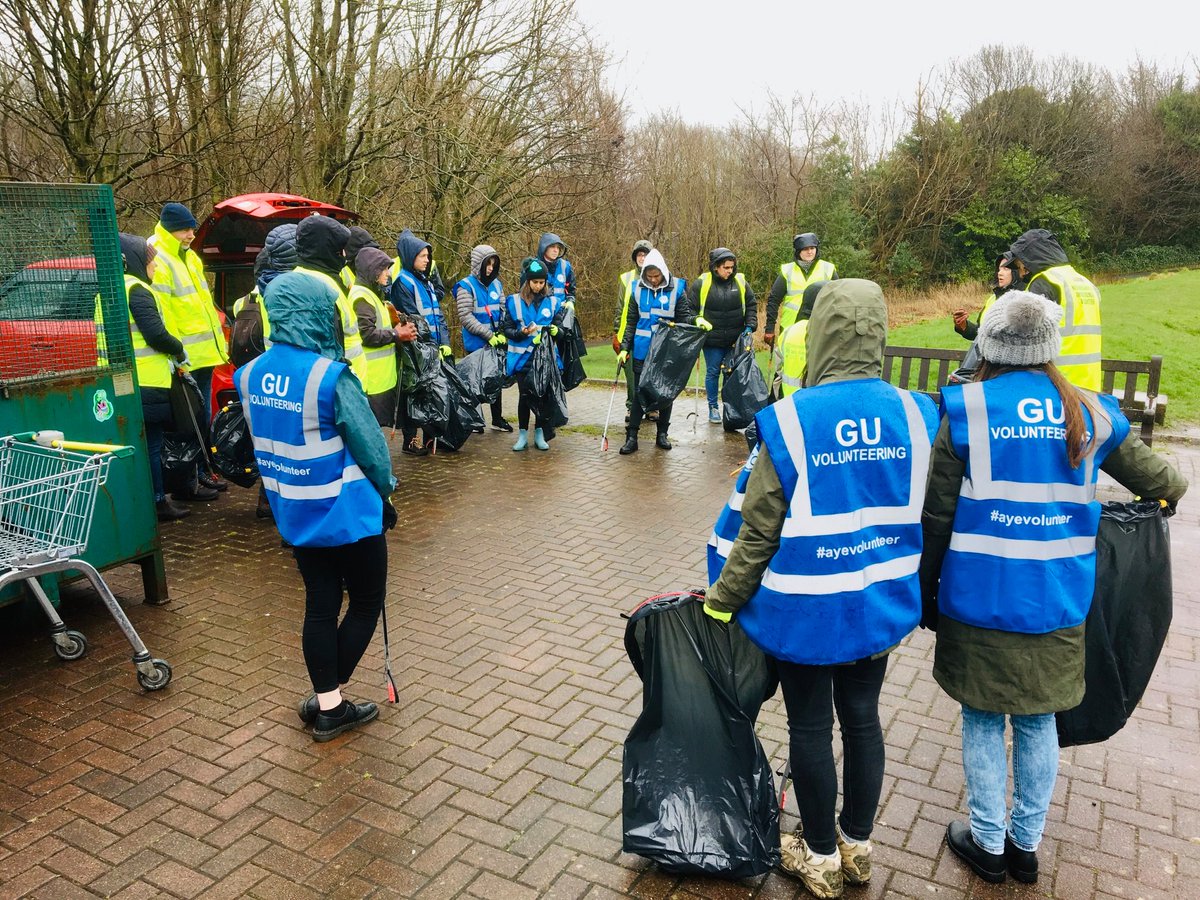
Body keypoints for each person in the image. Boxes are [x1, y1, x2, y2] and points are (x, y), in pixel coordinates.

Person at [918, 291, 1187, 886]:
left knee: (984, 717)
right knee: (1039, 720)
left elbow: (936, 519)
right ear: (1048, 348)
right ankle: (1026, 845)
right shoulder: (1087, 411)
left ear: (989, 344)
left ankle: (986, 842)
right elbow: (1168, 483)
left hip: (978, 596)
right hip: (1059, 598)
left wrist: (926, 592)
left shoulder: (966, 410)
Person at [703, 279, 939, 899]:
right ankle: (858, 846)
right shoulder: (916, 412)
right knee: (863, 718)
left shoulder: (788, 420)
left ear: (822, 333)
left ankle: (820, 856)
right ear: (877, 333)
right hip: (879, 602)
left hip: (806, 609)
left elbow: (758, 532)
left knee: (810, 726)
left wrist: (720, 602)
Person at [236, 269, 398, 743]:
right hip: (349, 512)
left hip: (296, 513)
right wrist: (387, 492)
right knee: (367, 601)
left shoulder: (249, 375)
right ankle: (331, 703)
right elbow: (371, 448)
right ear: (315, 315)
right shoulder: (331, 377)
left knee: (321, 607)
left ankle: (326, 701)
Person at [147, 201, 226, 497]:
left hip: (203, 353)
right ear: (169, 229)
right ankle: (191, 477)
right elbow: (163, 311)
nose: (191, 234)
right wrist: (176, 354)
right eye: (184, 229)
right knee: (189, 420)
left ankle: (202, 470)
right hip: (185, 357)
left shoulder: (189, 258)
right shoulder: (160, 257)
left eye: (192, 228)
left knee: (200, 416)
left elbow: (203, 304)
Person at [119, 234, 190, 521]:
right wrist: (179, 348)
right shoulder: (137, 290)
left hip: (122, 381)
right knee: (152, 444)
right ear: (137, 262)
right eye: (152, 264)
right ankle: (158, 501)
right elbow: (156, 334)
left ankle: (138, 502)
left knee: (133, 444)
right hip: (147, 381)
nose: (156, 270)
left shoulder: (112, 290)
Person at [1006, 229, 1102, 391]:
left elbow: (1025, 334)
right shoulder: (1084, 282)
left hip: (1057, 383)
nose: (1021, 271)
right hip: (1089, 385)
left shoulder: (1045, 281)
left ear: (1032, 258)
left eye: (1020, 264)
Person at [616, 249, 687, 454]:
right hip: (641, 350)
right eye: (650, 276)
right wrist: (624, 348)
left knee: (665, 394)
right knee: (639, 394)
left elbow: (684, 318)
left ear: (663, 272)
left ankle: (662, 434)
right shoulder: (637, 289)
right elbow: (630, 322)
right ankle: (632, 437)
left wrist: (695, 321)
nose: (654, 280)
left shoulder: (677, 289)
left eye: (656, 276)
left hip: (666, 353)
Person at [678, 247, 757, 423]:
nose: (730, 270)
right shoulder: (702, 284)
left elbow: (751, 304)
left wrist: (750, 325)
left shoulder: (741, 282)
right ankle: (713, 407)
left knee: (731, 374)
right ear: (715, 267)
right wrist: (696, 320)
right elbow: (688, 309)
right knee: (713, 372)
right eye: (726, 267)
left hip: (736, 339)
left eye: (731, 267)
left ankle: (730, 407)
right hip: (711, 339)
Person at [390, 229, 449, 455]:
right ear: (411, 256)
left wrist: (444, 343)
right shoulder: (403, 283)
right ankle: (411, 440)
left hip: (432, 347)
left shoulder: (426, 282)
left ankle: (429, 438)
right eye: (423, 256)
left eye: (427, 256)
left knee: (430, 392)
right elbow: (412, 317)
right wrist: (429, 346)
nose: (427, 261)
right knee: (414, 392)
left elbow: (438, 314)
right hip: (416, 348)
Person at [292, 215, 370, 388]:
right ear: (326, 250)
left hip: (343, 384)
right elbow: (328, 351)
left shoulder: (299, 277)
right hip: (342, 388)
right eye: (340, 249)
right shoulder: (323, 289)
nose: (343, 255)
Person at [500, 257, 566, 452]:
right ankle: (522, 434)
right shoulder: (513, 301)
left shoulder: (553, 302)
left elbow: (562, 330)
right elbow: (507, 329)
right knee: (525, 396)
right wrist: (522, 333)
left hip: (545, 358)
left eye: (541, 282)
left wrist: (556, 331)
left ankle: (539, 433)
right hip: (522, 359)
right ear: (527, 281)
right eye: (535, 282)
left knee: (542, 395)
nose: (538, 286)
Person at [351, 246, 418, 428]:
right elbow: (367, 335)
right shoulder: (362, 297)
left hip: (380, 380)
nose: (388, 273)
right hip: (372, 381)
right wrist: (397, 334)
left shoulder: (371, 295)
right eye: (384, 268)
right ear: (372, 270)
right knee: (372, 432)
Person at [455, 244, 512, 432]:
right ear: (478, 264)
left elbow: (504, 309)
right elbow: (465, 316)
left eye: (493, 264)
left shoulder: (497, 284)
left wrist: (503, 332)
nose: (490, 268)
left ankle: (497, 419)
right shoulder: (466, 286)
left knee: (495, 381)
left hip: (495, 343)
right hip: (476, 343)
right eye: (487, 264)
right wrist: (488, 335)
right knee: (474, 382)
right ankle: (474, 419)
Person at [764, 233, 837, 347]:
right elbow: (773, 300)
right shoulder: (787, 270)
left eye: (812, 248)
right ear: (798, 251)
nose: (809, 252)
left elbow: (838, 299)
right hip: (791, 326)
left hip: (820, 326)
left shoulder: (828, 268)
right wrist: (770, 328)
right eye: (805, 249)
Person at [614, 240, 653, 415]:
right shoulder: (626, 278)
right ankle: (633, 407)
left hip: (651, 334)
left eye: (645, 254)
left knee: (650, 373)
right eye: (639, 255)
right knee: (631, 375)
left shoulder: (659, 277)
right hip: (629, 334)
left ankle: (651, 407)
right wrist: (617, 333)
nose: (642, 258)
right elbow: (620, 307)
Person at [772, 279, 830, 397]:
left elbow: (779, 370)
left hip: (790, 402)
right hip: (816, 402)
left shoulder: (788, 331)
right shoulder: (830, 334)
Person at [952, 252, 1022, 342]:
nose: (1000, 273)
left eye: (1006, 268)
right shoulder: (992, 298)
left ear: (1017, 272)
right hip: (985, 354)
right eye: (999, 269)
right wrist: (963, 325)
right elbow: (980, 333)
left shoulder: (1023, 300)